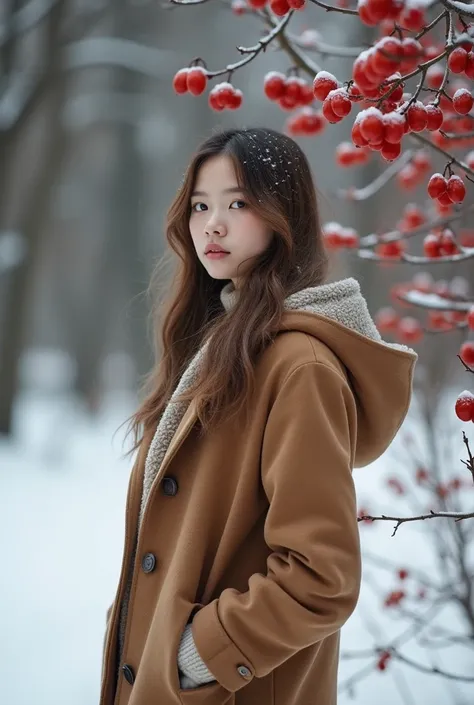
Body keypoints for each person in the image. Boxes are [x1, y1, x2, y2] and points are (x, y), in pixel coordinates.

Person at [99, 127, 417, 705]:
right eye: (200, 205)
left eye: (237, 203)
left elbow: (322, 575)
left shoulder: (299, 366)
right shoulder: (214, 346)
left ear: (281, 215)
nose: (211, 224)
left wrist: (197, 654)